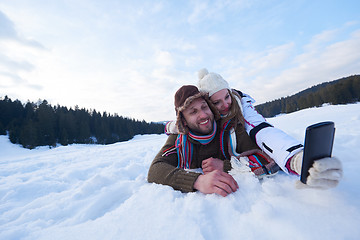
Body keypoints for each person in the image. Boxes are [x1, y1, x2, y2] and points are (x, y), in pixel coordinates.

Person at [165, 69, 343, 189]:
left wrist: (297, 158)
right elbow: (160, 163)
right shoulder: (195, 127)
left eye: (227, 97)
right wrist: (171, 127)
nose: (226, 104)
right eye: (216, 102)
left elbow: (263, 133)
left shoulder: (242, 116)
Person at [147, 85, 274, 196]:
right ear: (184, 121)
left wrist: (225, 166)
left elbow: (268, 157)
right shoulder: (179, 139)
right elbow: (156, 170)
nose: (203, 115)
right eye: (193, 112)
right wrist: (198, 181)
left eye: (204, 107)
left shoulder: (229, 130)